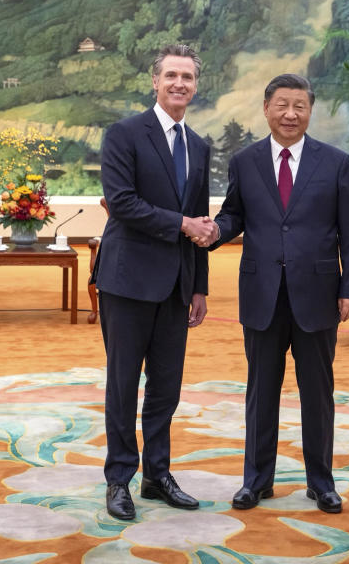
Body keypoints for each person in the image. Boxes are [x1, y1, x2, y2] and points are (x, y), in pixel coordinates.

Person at [207, 73, 349, 514]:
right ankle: (256, 481)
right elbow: (233, 214)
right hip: (262, 293)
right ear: (266, 109)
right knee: (261, 391)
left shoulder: (334, 162)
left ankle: (321, 482)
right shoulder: (246, 161)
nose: (290, 113)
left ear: (310, 111)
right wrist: (212, 231)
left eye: (299, 105)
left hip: (318, 295)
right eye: (282, 105)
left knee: (318, 392)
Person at [92, 44, 216, 520]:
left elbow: (201, 220)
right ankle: (119, 478)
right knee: (123, 385)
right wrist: (183, 225)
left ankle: (156, 475)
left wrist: (199, 286)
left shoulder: (199, 145)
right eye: (171, 75)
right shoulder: (124, 134)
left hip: (177, 287)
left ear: (195, 86)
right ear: (155, 81)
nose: (179, 83)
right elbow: (121, 202)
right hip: (127, 282)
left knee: (166, 388)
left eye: (187, 76)